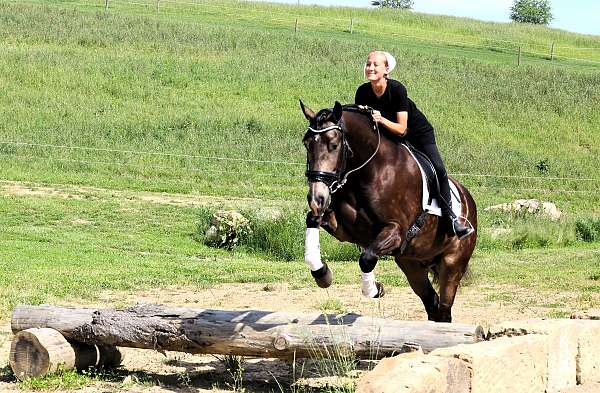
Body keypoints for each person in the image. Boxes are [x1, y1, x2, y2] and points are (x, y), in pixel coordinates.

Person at [354, 50, 473, 239]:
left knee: (438, 169)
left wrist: (381, 119)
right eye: (368, 64)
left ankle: (452, 219)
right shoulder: (362, 92)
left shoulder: (397, 89)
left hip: (417, 134)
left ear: (386, 70)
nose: (370, 68)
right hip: (388, 137)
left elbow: (402, 129)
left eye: (376, 64)